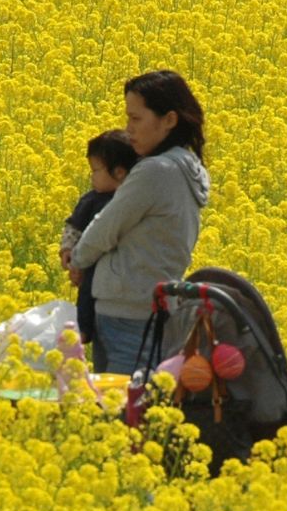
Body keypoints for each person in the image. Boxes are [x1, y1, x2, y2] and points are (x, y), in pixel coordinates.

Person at [71, 70, 210, 375]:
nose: (128, 129)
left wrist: (78, 258)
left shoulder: (155, 172)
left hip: (127, 316)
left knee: (123, 412)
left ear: (169, 120)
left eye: (136, 119)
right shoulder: (187, 168)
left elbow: (105, 228)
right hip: (155, 309)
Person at [59, 130, 138, 367]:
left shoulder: (131, 199)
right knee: (86, 295)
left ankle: (84, 331)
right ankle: (83, 331)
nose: (91, 177)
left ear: (120, 172)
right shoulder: (91, 199)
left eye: (95, 171)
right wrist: (68, 252)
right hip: (90, 265)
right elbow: (73, 227)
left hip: (114, 274)